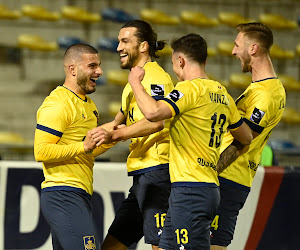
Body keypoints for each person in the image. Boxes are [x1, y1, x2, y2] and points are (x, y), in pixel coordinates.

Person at [127, 33, 253, 250]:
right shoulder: (222, 94)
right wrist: (216, 165)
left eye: (174, 64)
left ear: (181, 61)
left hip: (190, 191)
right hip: (207, 187)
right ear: (204, 60)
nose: (175, 71)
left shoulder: (187, 89)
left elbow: (153, 112)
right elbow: (246, 138)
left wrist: (135, 83)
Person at [91, 20, 174, 250]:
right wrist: (82, 144)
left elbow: (158, 121)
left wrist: (119, 135)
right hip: (142, 176)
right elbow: (116, 124)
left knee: (161, 246)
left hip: (158, 172)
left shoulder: (155, 77)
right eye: (119, 41)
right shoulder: (133, 83)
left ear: (144, 46)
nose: (118, 47)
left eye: (125, 41)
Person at [210, 22, 286, 250]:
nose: (233, 51)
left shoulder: (267, 95)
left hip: (227, 178)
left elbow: (243, 142)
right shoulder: (259, 89)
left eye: (237, 45)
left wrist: (207, 173)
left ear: (253, 49)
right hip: (225, 178)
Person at [34, 43, 113, 250]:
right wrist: (83, 147)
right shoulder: (58, 103)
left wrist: (114, 138)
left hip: (79, 194)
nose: (100, 71)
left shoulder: (88, 104)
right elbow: (41, 151)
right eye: (92, 66)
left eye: (99, 65)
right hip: (62, 193)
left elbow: (88, 150)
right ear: (72, 69)